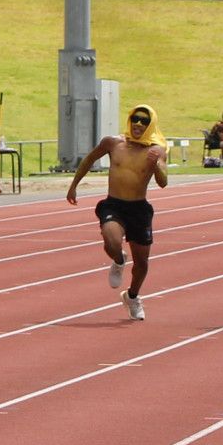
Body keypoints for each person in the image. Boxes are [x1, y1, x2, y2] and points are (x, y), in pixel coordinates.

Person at [65, 103, 169, 320]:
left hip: (139, 209)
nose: (138, 124)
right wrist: (74, 185)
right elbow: (90, 159)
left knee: (142, 263)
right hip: (114, 205)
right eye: (135, 119)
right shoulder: (113, 143)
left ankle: (132, 296)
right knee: (111, 241)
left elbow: (163, 182)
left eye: (144, 121)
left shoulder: (157, 150)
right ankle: (119, 260)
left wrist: (156, 166)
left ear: (151, 125)